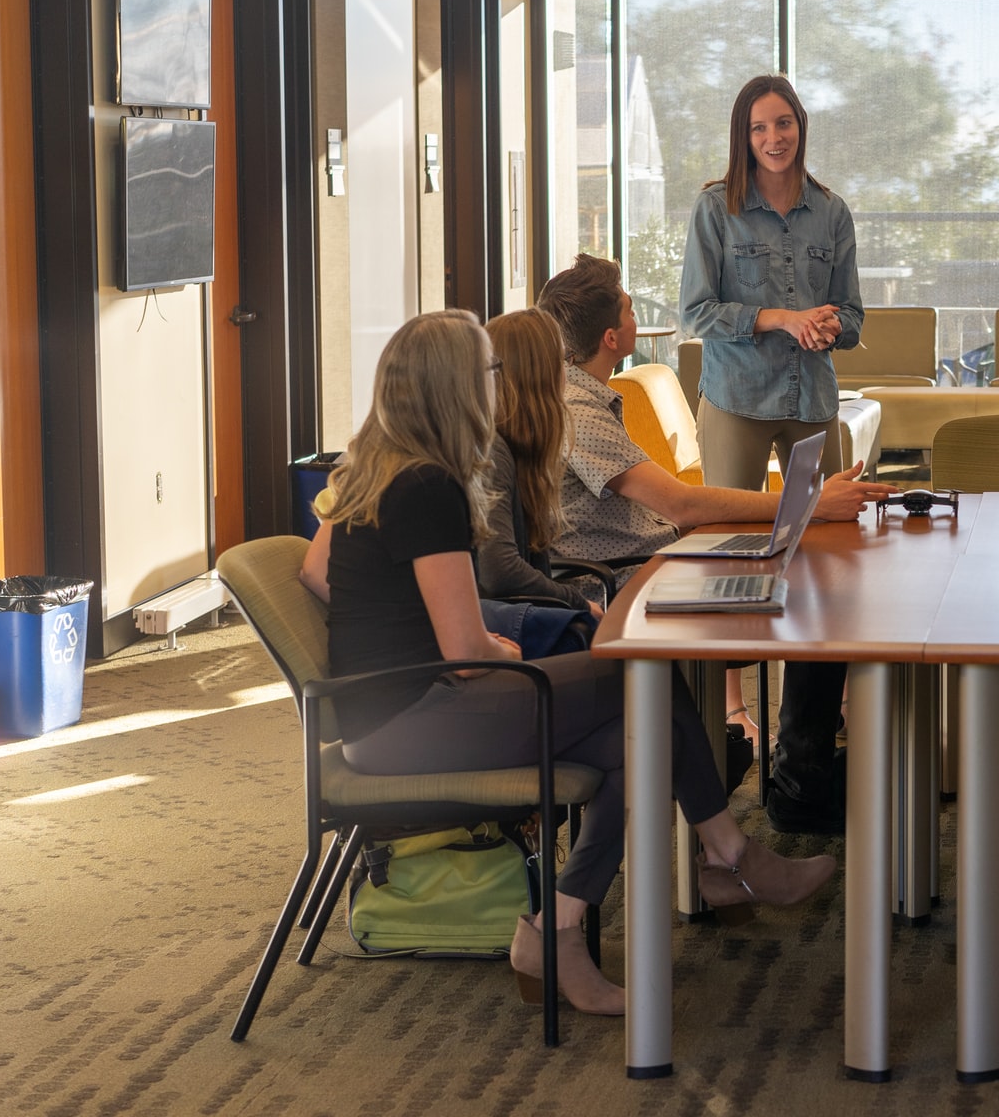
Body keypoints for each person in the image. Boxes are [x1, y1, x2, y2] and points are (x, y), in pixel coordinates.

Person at [299, 309, 835, 1018]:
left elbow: (316, 573)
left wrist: (398, 626)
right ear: (457, 387)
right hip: (418, 719)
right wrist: (490, 647)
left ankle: (560, 930)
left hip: (380, 716)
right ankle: (730, 856)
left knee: (632, 746)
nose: (500, 382)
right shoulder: (428, 487)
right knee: (639, 671)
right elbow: (467, 659)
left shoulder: (373, 466)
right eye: (489, 371)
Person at [538, 256, 894, 833]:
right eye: (629, 307)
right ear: (611, 337)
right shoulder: (578, 410)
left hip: (650, 565)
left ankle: (797, 769)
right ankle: (802, 784)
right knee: (821, 603)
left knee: (817, 585)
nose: (635, 313)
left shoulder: (586, 396)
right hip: (628, 589)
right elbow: (680, 504)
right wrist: (806, 504)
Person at [678, 75, 865, 835]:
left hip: (811, 398)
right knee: (732, 556)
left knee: (831, 552)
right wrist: (779, 317)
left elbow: (853, 316)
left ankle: (818, 716)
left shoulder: (832, 211)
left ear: (801, 128)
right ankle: (732, 717)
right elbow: (695, 312)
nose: (773, 138)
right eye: (759, 128)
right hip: (738, 400)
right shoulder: (714, 207)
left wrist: (826, 324)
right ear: (743, 135)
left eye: (783, 123)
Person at [475, 307, 603, 616]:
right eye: (561, 361)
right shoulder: (494, 452)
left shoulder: (516, 449)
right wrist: (578, 604)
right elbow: (498, 570)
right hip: (506, 632)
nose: (565, 372)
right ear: (541, 375)